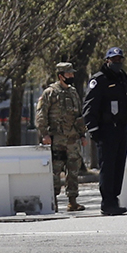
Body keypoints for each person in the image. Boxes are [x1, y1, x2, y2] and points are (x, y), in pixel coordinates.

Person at [81, 47, 127, 216]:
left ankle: (114, 198)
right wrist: (93, 130)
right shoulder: (99, 80)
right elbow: (89, 107)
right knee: (108, 167)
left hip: (121, 129)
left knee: (119, 166)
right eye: (114, 60)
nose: (117, 62)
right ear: (107, 61)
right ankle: (107, 202)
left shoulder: (123, 77)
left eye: (120, 59)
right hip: (106, 131)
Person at [37, 62, 88, 212]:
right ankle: (53, 202)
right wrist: (44, 134)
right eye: (68, 73)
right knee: (55, 171)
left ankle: (72, 201)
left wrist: (82, 134)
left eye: (72, 73)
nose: (71, 76)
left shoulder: (73, 92)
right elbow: (41, 115)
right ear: (61, 76)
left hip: (73, 139)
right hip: (57, 139)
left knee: (73, 170)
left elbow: (79, 115)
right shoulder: (50, 93)